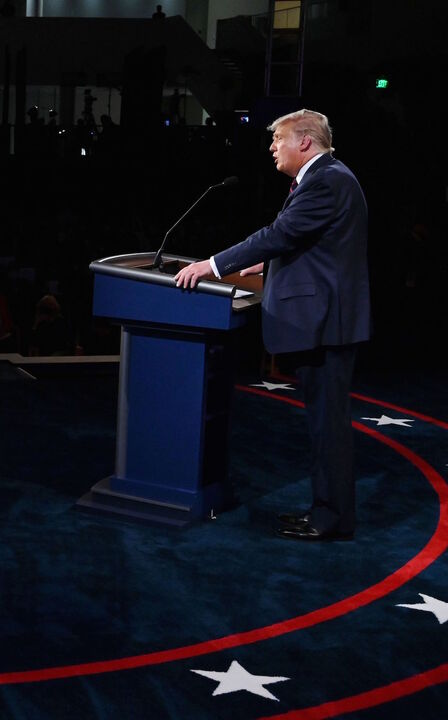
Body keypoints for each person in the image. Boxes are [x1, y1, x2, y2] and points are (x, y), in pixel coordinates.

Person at [173, 109, 370, 542]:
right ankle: (325, 511)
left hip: (326, 325)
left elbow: (278, 234)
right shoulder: (327, 178)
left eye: (278, 139)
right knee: (323, 426)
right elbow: (306, 242)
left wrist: (213, 264)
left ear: (305, 141)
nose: (272, 148)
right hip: (324, 322)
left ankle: (331, 518)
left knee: (328, 428)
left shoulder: (327, 180)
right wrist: (267, 261)